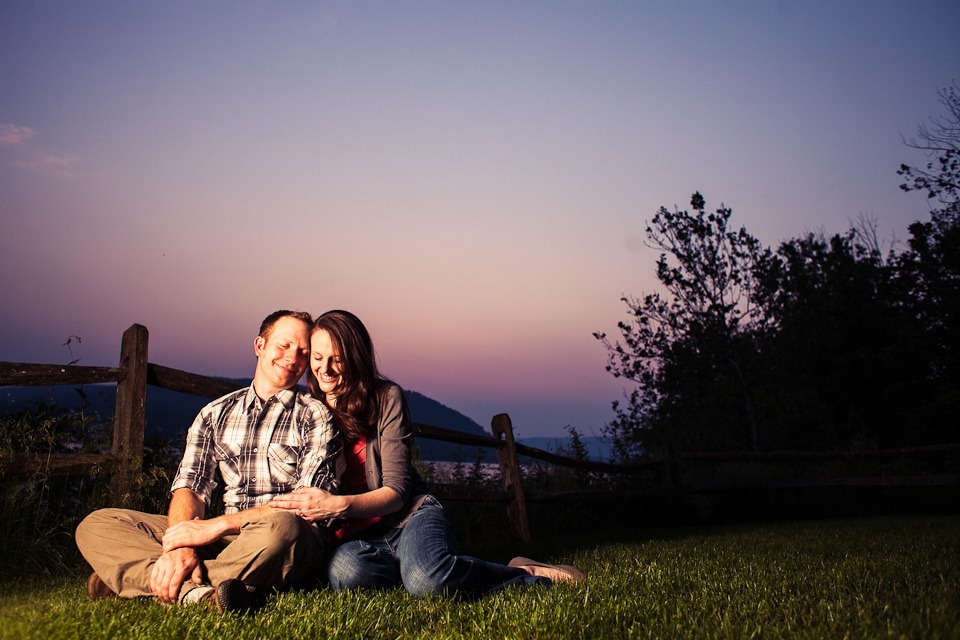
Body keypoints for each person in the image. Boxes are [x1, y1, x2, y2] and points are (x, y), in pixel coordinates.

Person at [269, 309, 583, 598]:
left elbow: (396, 491)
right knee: (347, 575)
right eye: (318, 357)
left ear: (356, 357)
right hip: (359, 538)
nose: (325, 369)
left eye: (337, 359)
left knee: (427, 581)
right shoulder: (308, 409)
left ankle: (522, 573)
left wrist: (337, 505)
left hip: (409, 516)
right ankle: (427, 568)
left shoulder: (386, 398)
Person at [75, 310, 342, 613]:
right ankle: (199, 592)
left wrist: (213, 527)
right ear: (260, 346)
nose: (292, 358)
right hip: (225, 541)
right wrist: (183, 545)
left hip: (281, 538)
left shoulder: (315, 415)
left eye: (303, 353)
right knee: (97, 524)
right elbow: (190, 486)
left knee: (283, 528)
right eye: (283, 346)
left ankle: (147, 579)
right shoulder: (214, 413)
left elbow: (304, 505)